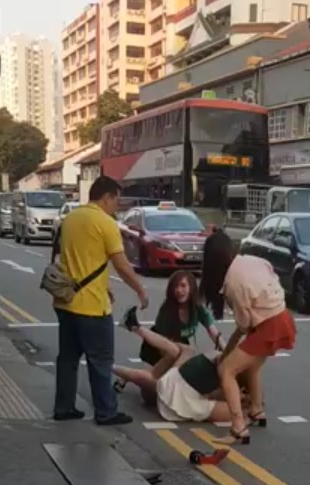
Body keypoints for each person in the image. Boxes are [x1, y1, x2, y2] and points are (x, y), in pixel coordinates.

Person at [52, 176, 149, 425]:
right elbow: (122, 265)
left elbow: (80, 259)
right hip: (92, 307)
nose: (117, 206)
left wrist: (105, 287)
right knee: (100, 361)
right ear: (107, 197)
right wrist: (140, 290)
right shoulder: (105, 223)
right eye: (116, 200)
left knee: (68, 358)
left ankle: (64, 407)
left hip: (65, 301)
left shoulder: (70, 218)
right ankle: (106, 411)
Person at [200, 230, 296, 445]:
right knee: (251, 366)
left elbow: (243, 325)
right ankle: (256, 409)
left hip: (268, 325)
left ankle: (238, 428)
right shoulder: (253, 260)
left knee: (227, 371)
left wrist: (227, 354)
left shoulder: (232, 282)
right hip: (283, 316)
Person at [112, 307, 249, 424]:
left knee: (165, 369)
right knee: (178, 352)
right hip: (173, 380)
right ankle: (133, 330)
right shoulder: (171, 312)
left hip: (174, 394)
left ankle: (112, 364)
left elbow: (215, 335)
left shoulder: (225, 404)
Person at [116, 270, 223, 404]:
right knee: (150, 391)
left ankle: (139, 377)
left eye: (183, 286)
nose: (179, 290)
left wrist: (226, 349)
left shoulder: (198, 309)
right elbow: (164, 345)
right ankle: (129, 375)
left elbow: (214, 333)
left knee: (179, 360)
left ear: (191, 287)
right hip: (157, 346)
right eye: (175, 287)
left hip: (179, 345)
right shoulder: (167, 310)